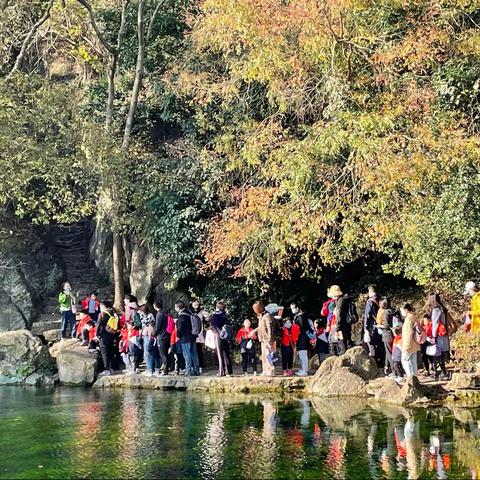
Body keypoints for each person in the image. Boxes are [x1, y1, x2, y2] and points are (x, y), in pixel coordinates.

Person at [425, 292, 450, 380]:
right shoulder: (443, 309)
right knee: (441, 354)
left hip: (439, 335)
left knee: (437, 354)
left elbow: (435, 324)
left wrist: (433, 336)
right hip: (444, 334)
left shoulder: (435, 310)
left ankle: (442, 373)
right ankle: (442, 373)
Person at [175, 300, 200, 376]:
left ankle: (188, 370)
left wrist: (178, 336)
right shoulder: (189, 312)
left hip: (185, 337)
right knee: (194, 353)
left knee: (187, 354)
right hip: (193, 335)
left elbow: (179, 328)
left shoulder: (182, 315)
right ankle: (196, 370)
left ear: (177, 307)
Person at [330, 285, 355, 355]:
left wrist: (337, 327)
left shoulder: (340, 301)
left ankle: (344, 359)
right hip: (347, 324)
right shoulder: (346, 299)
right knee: (347, 342)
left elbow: (339, 315)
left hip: (342, 326)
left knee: (342, 344)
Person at [210, 300, 233, 376]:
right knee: (226, 353)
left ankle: (221, 371)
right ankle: (229, 371)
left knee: (220, 354)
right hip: (226, 335)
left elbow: (213, 327)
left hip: (218, 336)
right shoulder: (225, 315)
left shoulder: (215, 316)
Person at [97, 301, 119, 376]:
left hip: (103, 335)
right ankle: (111, 368)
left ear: (104, 307)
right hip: (112, 335)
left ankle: (106, 369)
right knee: (111, 352)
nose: (100, 308)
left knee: (104, 352)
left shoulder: (103, 314)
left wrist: (96, 334)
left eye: (101, 307)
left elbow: (98, 325)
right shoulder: (114, 313)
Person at [400, 304, 421, 379]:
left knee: (404, 360)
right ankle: (415, 377)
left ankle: (410, 378)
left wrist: (406, 345)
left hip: (409, 343)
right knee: (413, 362)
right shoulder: (414, 317)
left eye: (402, 311)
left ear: (406, 310)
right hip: (415, 343)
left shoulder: (408, 319)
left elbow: (408, 333)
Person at [292, 302, 313, 377]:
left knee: (303, 355)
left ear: (298, 308)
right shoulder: (298, 316)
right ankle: (302, 369)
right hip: (300, 338)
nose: (292, 310)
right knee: (301, 355)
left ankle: (305, 370)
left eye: (293, 308)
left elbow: (301, 328)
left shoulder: (301, 317)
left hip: (302, 338)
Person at [377, 298, 395, 376]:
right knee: (389, 352)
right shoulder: (393, 311)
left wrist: (379, 326)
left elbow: (386, 325)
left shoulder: (385, 313)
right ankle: (387, 367)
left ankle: (394, 371)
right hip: (394, 334)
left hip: (387, 334)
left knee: (389, 352)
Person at [364, 285, 382, 364]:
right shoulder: (381, 299)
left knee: (372, 344)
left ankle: (375, 362)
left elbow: (367, 315)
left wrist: (365, 327)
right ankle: (382, 361)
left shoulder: (370, 301)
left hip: (373, 326)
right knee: (380, 344)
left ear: (370, 292)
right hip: (381, 325)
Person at [191, 299, 210, 374]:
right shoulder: (189, 312)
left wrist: (207, 316)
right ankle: (192, 367)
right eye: (194, 302)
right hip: (191, 334)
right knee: (191, 351)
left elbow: (208, 319)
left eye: (197, 302)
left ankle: (200, 366)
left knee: (199, 351)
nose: (196, 303)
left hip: (199, 334)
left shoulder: (201, 312)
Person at [154, 299, 171, 375]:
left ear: (155, 306)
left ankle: (165, 370)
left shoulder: (159, 314)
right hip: (167, 335)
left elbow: (157, 327)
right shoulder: (166, 313)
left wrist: (154, 334)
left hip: (161, 336)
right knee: (166, 353)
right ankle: (167, 368)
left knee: (163, 354)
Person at [256, 311, 276, 376]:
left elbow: (270, 328)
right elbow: (260, 328)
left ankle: (271, 371)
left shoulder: (267, 316)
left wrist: (270, 339)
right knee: (264, 356)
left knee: (269, 355)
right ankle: (265, 370)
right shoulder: (261, 318)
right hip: (263, 339)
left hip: (267, 339)